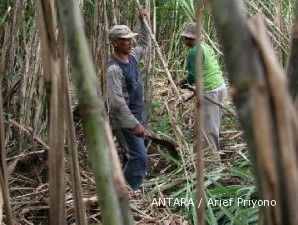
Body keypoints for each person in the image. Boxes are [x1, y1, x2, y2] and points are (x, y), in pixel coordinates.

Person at [106, 9, 150, 190]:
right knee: (139, 156)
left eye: (130, 38)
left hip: (138, 115)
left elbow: (145, 44)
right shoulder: (114, 70)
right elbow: (116, 103)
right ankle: (129, 192)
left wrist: (143, 22)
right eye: (125, 40)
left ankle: (123, 185)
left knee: (131, 154)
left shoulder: (132, 57)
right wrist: (134, 124)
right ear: (115, 42)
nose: (130, 42)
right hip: (124, 121)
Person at [180, 23, 227, 152]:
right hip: (220, 88)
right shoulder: (205, 47)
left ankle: (211, 164)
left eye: (187, 38)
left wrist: (182, 83)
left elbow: (192, 76)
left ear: (192, 39)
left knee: (208, 129)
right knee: (212, 124)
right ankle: (208, 153)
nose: (185, 40)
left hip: (210, 91)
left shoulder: (194, 52)